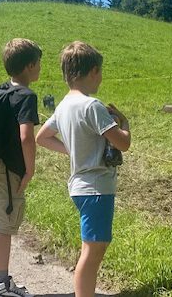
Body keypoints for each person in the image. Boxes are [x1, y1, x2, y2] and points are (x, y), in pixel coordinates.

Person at [36, 41, 131, 297]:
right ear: (92, 72)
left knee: (91, 247)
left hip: (80, 188)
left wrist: (74, 150)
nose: (100, 78)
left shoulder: (64, 105)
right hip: (96, 188)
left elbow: (42, 137)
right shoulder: (92, 106)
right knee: (93, 251)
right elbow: (123, 143)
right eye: (100, 72)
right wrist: (125, 122)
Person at [0, 38, 42, 297]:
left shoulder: (0, 91)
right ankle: (0, 286)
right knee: (4, 228)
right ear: (29, 66)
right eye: (38, 64)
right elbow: (27, 137)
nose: (40, 68)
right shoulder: (26, 96)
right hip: (9, 172)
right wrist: (29, 170)